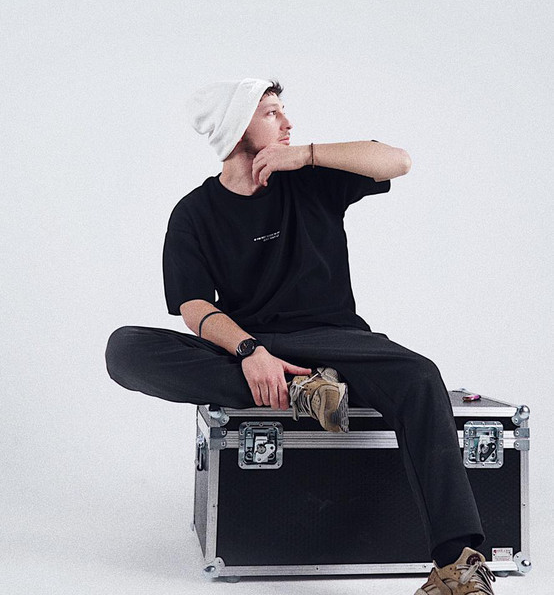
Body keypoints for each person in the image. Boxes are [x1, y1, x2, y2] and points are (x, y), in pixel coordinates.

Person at [105, 78, 497, 594]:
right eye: (271, 113)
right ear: (236, 126)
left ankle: (455, 567)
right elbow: (193, 305)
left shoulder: (311, 179)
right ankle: (302, 391)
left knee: (421, 377)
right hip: (254, 347)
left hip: (338, 340)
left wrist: (308, 155)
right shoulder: (193, 213)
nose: (288, 123)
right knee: (124, 348)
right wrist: (250, 350)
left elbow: (398, 161)